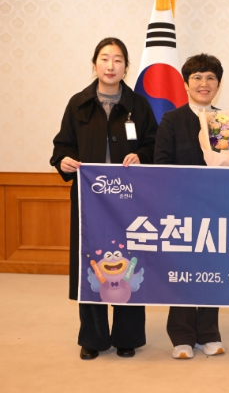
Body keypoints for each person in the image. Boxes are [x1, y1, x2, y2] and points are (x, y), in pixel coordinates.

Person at [50, 37, 158, 360]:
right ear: (94, 63)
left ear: (126, 67)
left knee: (129, 262)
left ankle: (128, 336)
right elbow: (62, 145)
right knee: (91, 262)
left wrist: (142, 157)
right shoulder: (78, 104)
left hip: (129, 201)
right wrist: (63, 161)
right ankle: (93, 338)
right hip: (90, 202)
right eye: (105, 59)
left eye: (118, 60)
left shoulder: (139, 105)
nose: (111, 66)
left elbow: (153, 145)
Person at [154, 54, 229, 359]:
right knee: (183, 271)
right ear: (186, 84)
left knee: (212, 270)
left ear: (218, 84)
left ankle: (209, 333)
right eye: (197, 78)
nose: (204, 83)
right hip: (181, 207)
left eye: (211, 78)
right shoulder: (172, 120)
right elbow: (161, 164)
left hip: (217, 207)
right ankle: (182, 336)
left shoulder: (225, 121)